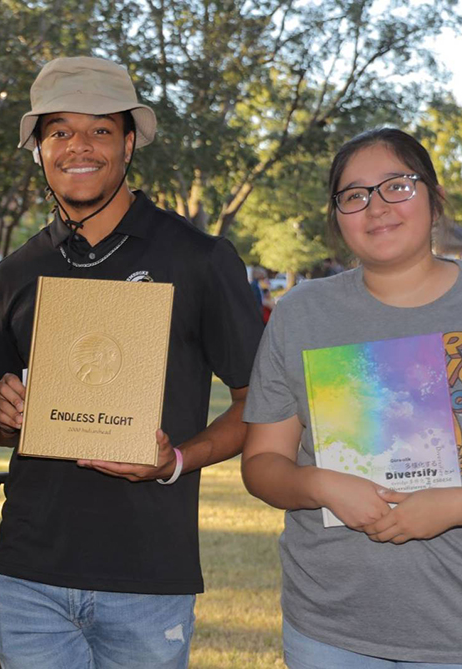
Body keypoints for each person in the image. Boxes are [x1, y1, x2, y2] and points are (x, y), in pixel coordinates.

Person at [0, 56, 264, 669]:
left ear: (129, 144)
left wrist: (175, 461)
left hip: (148, 579)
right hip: (29, 575)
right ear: (39, 149)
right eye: (59, 130)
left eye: (100, 130)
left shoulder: (201, 259)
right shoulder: (14, 274)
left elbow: (259, 404)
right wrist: (2, 412)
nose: (78, 146)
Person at [242, 128, 462, 668]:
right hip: (330, 631)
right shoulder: (301, 314)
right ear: (337, 216)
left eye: (397, 185)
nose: (376, 207)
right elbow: (262, 463)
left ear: (435, 199)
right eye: (354, 195)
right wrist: (318, 483)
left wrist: (454, 506)